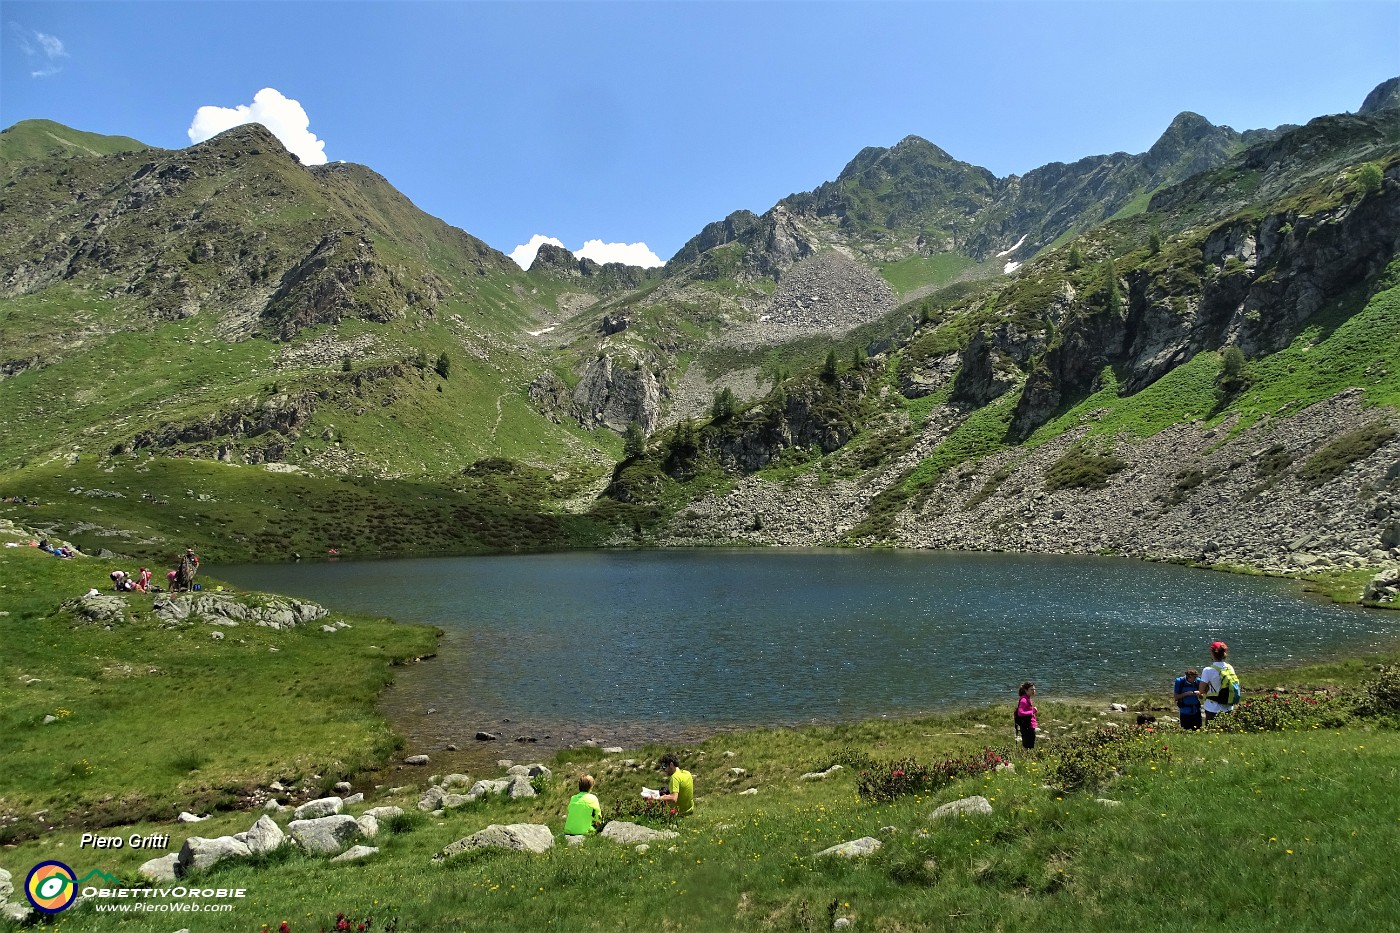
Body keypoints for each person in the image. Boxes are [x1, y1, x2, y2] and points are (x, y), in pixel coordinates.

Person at [1199, 641, 1241, 725]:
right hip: (1228, 707)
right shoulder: (1230, 667)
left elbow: (1201, 690)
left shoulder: (1208, 670)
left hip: (1213, 708)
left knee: (1211, 732)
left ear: (1212, 653)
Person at [1015, 682, 1038, 750]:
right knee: (1028, 746)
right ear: (1026, 690)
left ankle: (1027, 758)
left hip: (1030, 725)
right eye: (1031, 689)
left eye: (1034, 689)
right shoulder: (1024, 700)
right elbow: (1020, 713)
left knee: (1030, 745)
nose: (1033, 691)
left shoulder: (1028, 698)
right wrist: (1032, 711)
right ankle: (1026, 758)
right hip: (1027, 726)